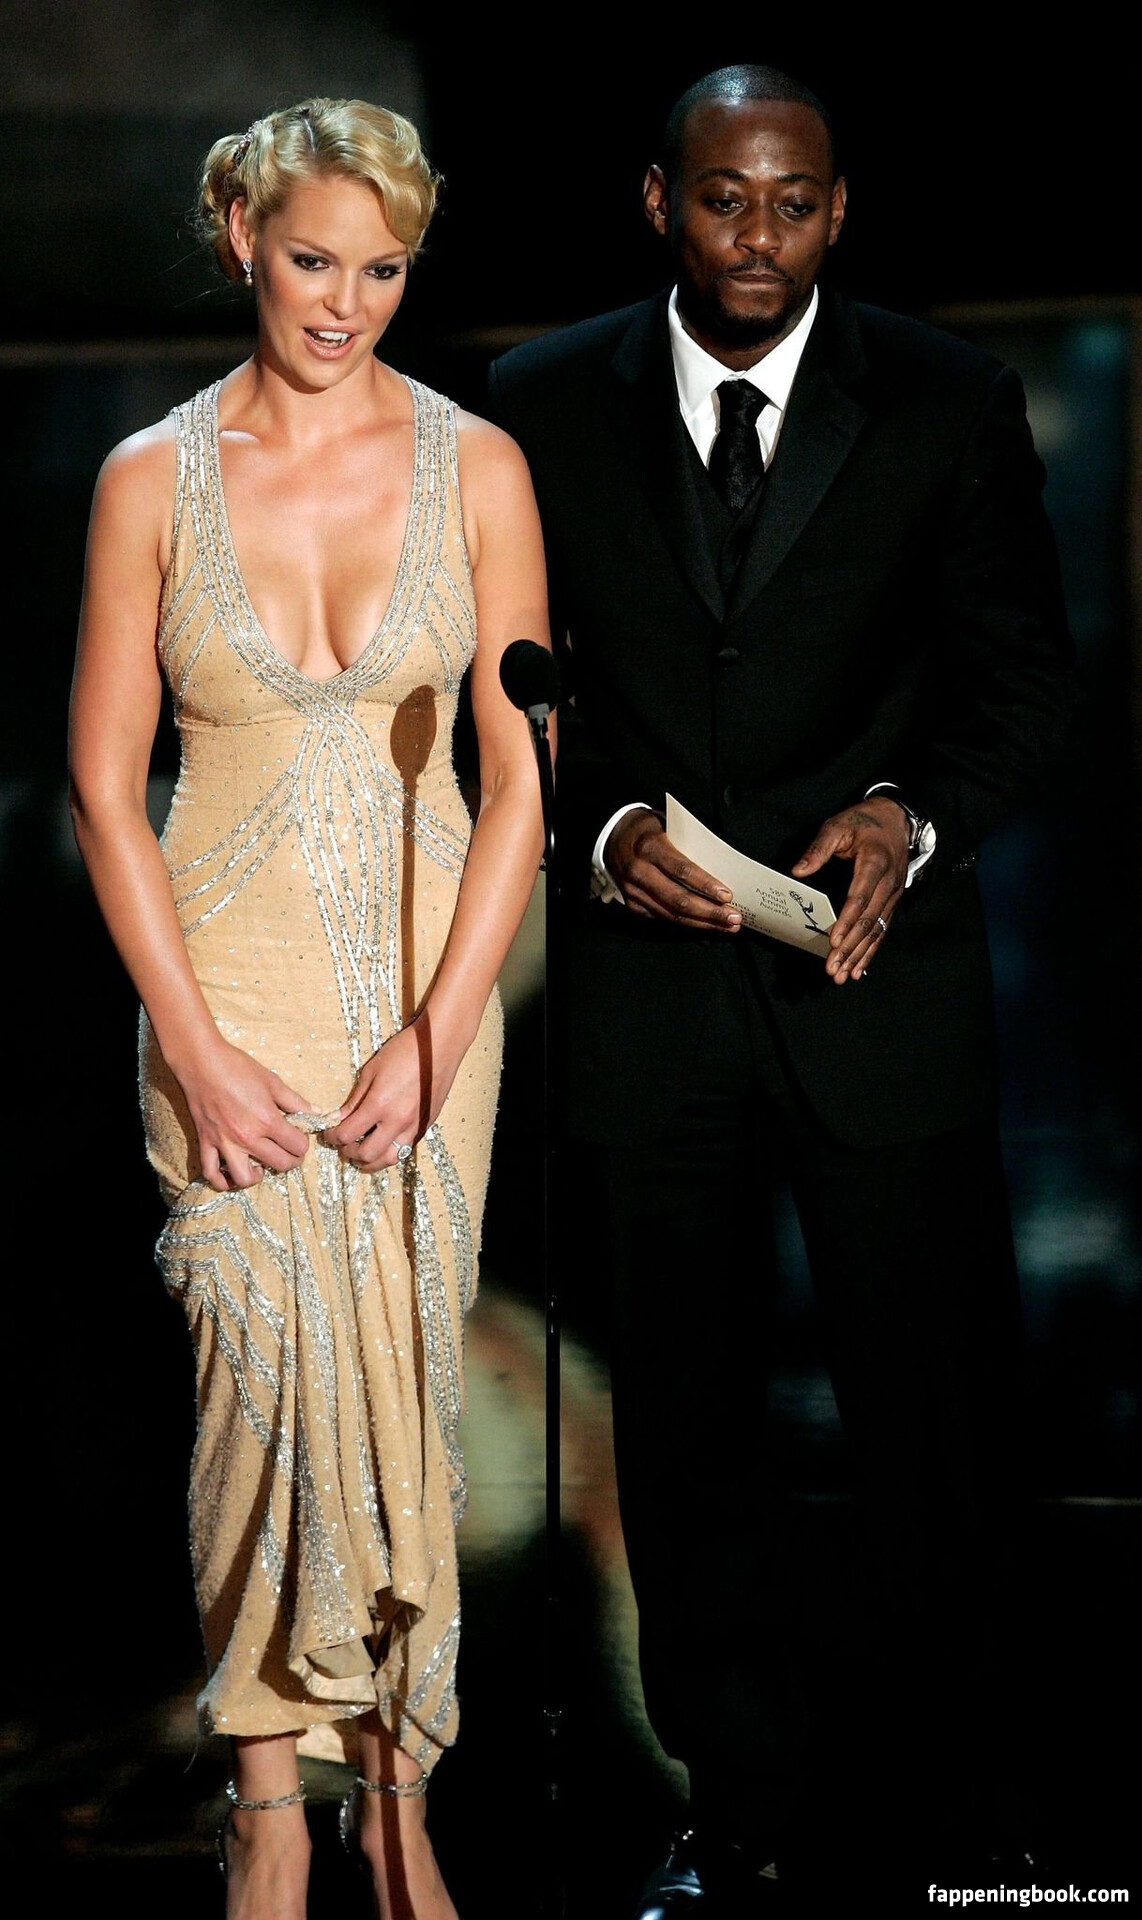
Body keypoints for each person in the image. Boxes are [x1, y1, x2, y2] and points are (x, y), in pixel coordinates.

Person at [488, 63, 1075, 1911]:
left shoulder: (947, 399)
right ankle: (732, 1813)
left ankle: (977, 1809)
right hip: (645, 1001)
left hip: (873, 990)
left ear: (839, 211)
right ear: (657, 200)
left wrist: (910, 814)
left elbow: (1022, 687)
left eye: (792, 202)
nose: (758, 235)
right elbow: (502, 695)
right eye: (723, 198)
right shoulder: (532, 404)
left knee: (938, 1427)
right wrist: (598, 836)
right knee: (681, 1429)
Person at [68, 96, 549, 1920]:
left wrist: (441, 1028)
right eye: (312, 261)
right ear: (241, 242)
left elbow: (520, 780)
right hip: (225, 984)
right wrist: (193, 1047)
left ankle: (398, 1780)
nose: (346, 303)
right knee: (255, 1390)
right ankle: (268, 1793)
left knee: (405, 1382)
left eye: (385, 268)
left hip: (428, 988)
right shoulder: (150, 478)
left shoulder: (477, 465)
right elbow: (105, 785)